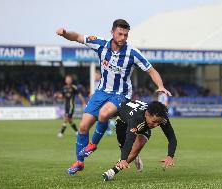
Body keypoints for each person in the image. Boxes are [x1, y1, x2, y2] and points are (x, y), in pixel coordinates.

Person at [56, 19, 171, 175]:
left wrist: (161, 86)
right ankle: (79, 162)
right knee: (83, 127)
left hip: (121, 94)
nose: (123, 37)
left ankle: (93, 145)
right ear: (112, 32)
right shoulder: (100, 44)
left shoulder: (132, 53)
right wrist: (64, 33)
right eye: (120, 33)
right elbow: (78, 37)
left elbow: (151, 70)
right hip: (101, 92)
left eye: (126, 34)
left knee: (104, 114)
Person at [102, 100, 177, 181]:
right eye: (154, 122)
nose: (156, 125)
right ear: (146, 114)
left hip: (143, 128)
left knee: (134, 150)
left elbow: (172, 137)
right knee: (125, 149)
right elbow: (130, 139)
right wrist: (123, 159)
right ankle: (134, 157)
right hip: (122, 123)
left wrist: (170, 155)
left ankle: (112, 172)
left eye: (159, 123)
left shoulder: (161, 118)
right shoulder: (136, 119)